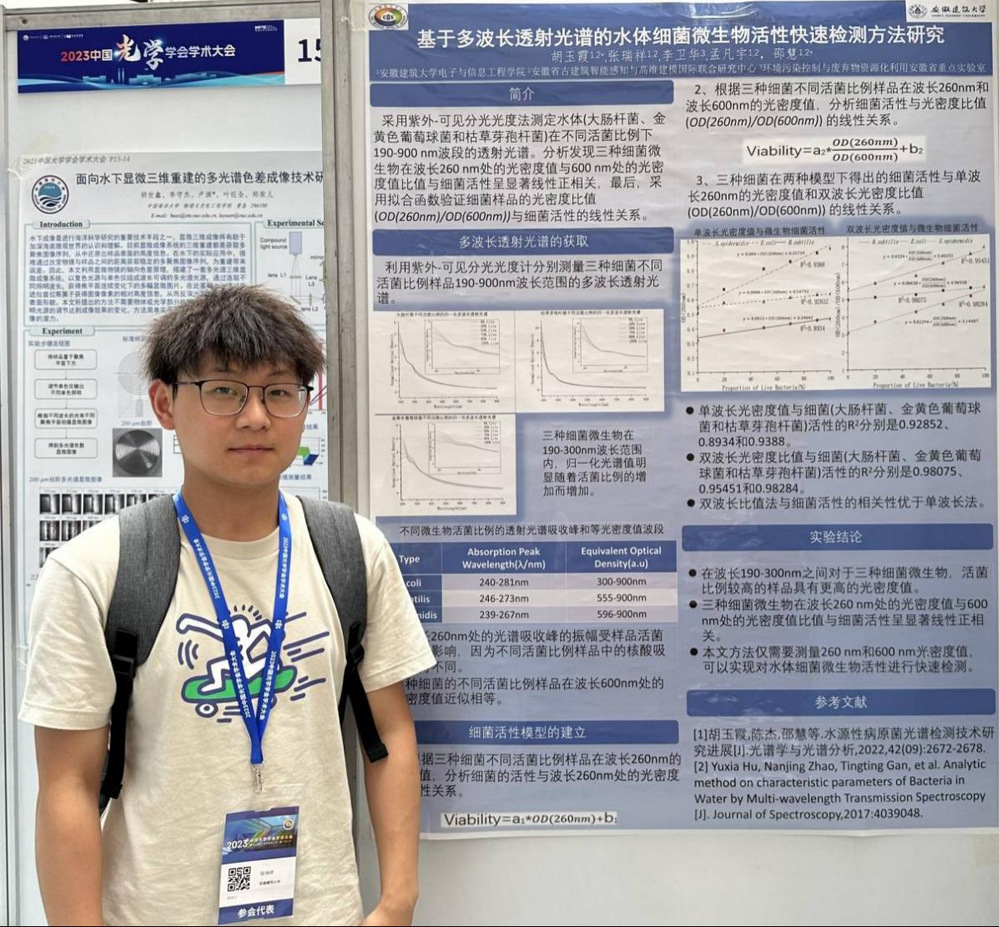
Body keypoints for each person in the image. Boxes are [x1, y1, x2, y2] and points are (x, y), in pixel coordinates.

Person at [20, 286, 435, 926]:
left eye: (279, 392)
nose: (256, 417)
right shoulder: (95, 570)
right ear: (165, 403)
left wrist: (398, 903)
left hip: (324, 912)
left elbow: (390, 732)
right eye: (224, 390)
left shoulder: (352, 550)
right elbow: (66, 784)